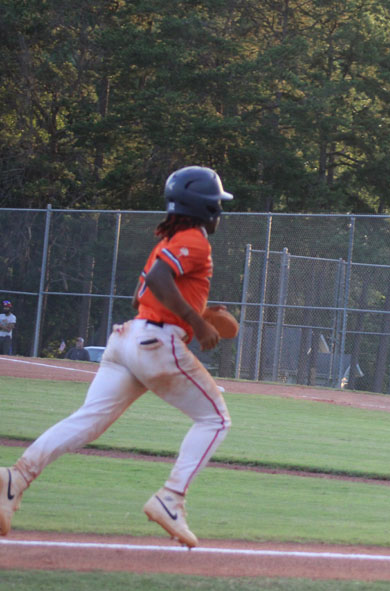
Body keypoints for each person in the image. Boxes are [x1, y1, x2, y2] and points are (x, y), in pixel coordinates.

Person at [0, 166, 234, 547]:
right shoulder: (196, 238)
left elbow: (142, 293)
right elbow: (160, 281)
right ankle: (171, 497)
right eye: (217, 204)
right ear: (207, 208)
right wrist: (197, 321)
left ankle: (17, 478)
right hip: (156, 345)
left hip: (127, 340)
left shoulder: (169, 240)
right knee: (216, 418)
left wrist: (197, 313)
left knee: (86, 420)